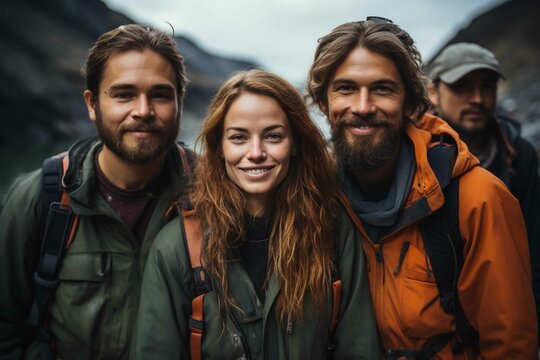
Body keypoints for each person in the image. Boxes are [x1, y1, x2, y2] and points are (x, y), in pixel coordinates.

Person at [307, 18, 537, 359]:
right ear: (323, 102)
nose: (363, 106)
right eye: (346, 88)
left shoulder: (478, 199)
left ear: (411, 102)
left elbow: (510, 345)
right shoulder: (311, 198)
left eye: (383, 88)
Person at [134, 69, 379, 359]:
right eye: (238, 138)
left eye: (273, 136)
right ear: (219, 148)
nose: (256, 152)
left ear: (296, 143)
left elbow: (359, 349)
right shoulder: (178, 248)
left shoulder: (332, 231)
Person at [0, 24, 191, 359]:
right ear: (92, 104)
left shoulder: (215, 193)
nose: (143, 111)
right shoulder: (40, 199)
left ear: (179, 101)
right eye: (124, 94)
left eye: (160, 95)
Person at [427, 42, 540, 333]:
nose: (477, 98)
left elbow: (533, 246)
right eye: (462, 87)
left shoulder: (519, 154)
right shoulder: (416, 156)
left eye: (487, 86)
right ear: (432, 92)